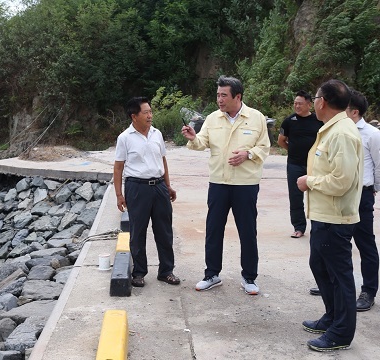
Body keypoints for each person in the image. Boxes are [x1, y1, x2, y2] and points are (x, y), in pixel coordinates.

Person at [181, 76, 270, 295]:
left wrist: (248, 154)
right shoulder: (212, 119)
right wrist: (193, 138)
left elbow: (264, 147)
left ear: (237, 97)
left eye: (224, 95)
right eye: (218, 95)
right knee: (213, 230)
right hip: (219, 183)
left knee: (247, 231)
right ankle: (211, 274)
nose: (219, 100)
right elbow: (201, 143)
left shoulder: (256, 118)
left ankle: (249, 277)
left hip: (245, 185)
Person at [296, 79, 362, 352]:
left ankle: (341, 333)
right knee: (320, 267)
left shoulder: (342, 134)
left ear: (322, 102)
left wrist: (310, 181)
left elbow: (342, 180)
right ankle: (332, 316)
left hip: (335, 218)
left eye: (315, 98)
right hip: (323, 216)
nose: (313, 102)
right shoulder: (332, 129)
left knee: (340, 275)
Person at [113, 96, 180, 288]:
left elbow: (163, 161)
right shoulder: (125, 138)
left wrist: (168, 186)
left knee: (164, 231)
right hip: (136, 188)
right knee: (138, 231)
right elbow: (118, 168)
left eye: (151, 111)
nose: (150, 115)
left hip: (159, 186)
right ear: (134, 116)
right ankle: (139, 272)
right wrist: (119, 194)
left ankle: (166, 271)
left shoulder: (157, 134)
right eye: (146, 112)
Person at [345, 89, 379, 311]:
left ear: (355, 111)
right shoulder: (338, 130)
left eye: (344, 108)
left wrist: (372, 190)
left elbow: (379, 166)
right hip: (340, 194)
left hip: (362, 195)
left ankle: (368, 290)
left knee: (365, 244)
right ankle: (339, 283)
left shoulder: (371, 134)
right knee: (338, 242)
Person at [277, 91, 323, 239]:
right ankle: (299, 227)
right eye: (295, 103)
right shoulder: (289, 121)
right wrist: (293, 151)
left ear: (309, 104)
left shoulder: (319, 120)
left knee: (318, 195)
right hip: (295, 164)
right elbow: (281, 140)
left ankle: (320, 226)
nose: (296, 106)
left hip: (315, 165)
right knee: (295, 197)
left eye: (300, 103)